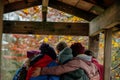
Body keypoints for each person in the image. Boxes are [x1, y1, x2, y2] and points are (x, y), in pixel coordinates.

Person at [32, 42, 100, 80]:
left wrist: (41, 71)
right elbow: (97, 75)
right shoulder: (91, 63)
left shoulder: (76, 62)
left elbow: (59, 69)